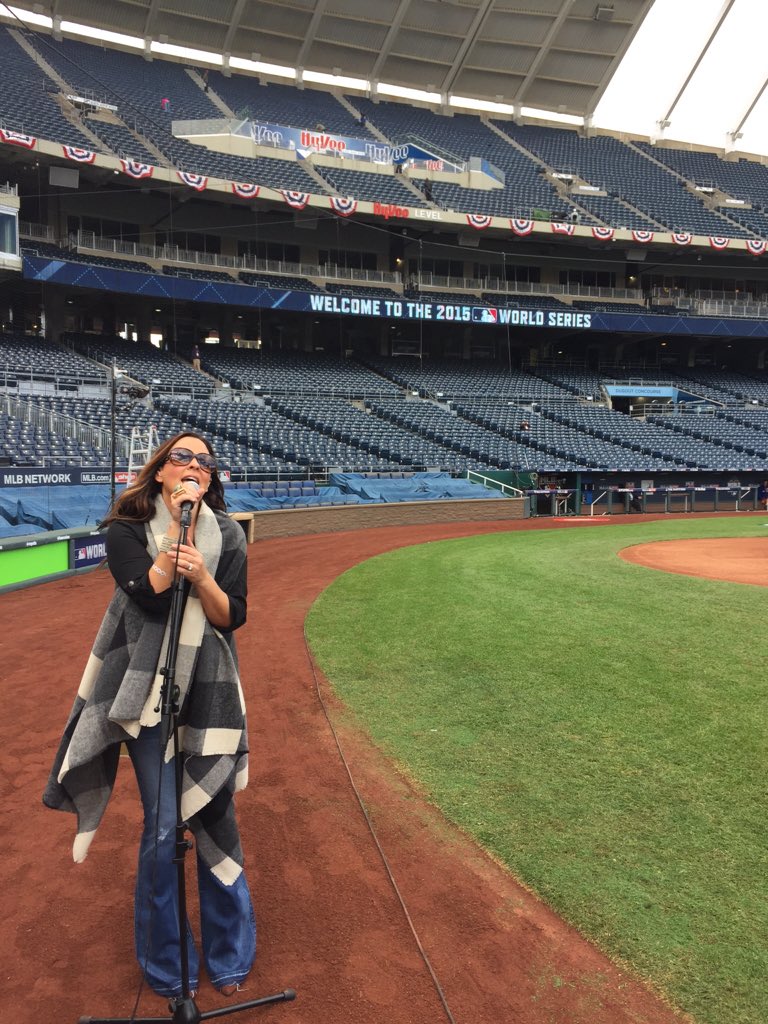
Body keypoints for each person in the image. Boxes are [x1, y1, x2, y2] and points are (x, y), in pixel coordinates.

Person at [43, 432, 255, 1001]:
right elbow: (147, 595)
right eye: (182, 458)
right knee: (163, 826)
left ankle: (230, 949)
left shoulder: (229, 534)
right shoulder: (127, 530)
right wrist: (173, 544)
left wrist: (204, 576)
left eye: (204, 462)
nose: (195, 467)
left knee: (214, 813)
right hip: (146, 695)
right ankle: (167, 965)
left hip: (208, 692)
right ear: (160, 470)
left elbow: (231, 615)